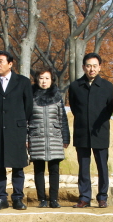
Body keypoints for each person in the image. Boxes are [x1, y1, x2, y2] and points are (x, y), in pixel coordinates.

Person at [0, 50, 33, 212]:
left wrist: (18, 122)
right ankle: (1, 198)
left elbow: (28, 107)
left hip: (16, 130)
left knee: (18, 166)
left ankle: (18, 198)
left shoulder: (23, 82)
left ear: (10, 64)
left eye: (1, 61)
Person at [68, 52, 113, 208]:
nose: (91, 69)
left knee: (102, 166)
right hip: (82, 132)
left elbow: (109, 110)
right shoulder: (75, 86)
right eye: (88, 66)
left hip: (100, 131)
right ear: (83, 67)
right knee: (83, 167)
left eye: (95, 66)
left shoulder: (107, 87)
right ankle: (84, 197)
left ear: (100, 67)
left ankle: (102, 197)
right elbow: (75, 108)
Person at [28, 67, 69, 208]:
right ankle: (42, 200)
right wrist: (26, 139)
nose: (44, 81)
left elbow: (63, 118)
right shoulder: (30, 96)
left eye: (47, 78)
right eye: (41, 78)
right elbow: (26, 119)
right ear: (36, 80)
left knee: (54, 170)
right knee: (38, 170)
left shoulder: (57, 96)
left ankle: (54, 199)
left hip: (55, 138)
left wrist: (65, 137)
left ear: (52, 80)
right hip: (36, 137)